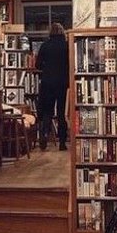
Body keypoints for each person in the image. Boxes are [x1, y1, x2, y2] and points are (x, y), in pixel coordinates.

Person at [35, 21, 69, 150]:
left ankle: (44, 135)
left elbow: (37, 65)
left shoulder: (45, 45)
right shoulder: (66, 46)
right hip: (62, 83)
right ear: (62, 32)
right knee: (61, 112)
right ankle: (62, 142)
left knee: (47, 111)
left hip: (47, 82)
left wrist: (47, 67)